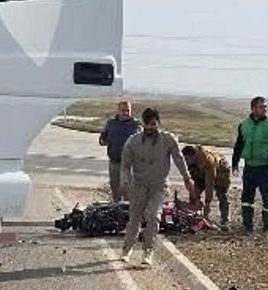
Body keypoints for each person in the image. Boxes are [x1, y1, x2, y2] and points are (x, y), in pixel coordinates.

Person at [119, 108, 193, 267]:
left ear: (159, 123)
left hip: (159, 186)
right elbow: (125, 164)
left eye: (153, 124)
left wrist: (187, 178)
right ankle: (127, 248)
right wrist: (124, 181)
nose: (150, 127)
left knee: (153, 215)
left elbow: (179, 160)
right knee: (135, 218)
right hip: (139, 185)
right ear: (143, 123)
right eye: (147, 124)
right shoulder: (133, 141)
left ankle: (148, 250)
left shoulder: (168, 140)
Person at [231, 96, 268, 236]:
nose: (265, 109)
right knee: (247, 199)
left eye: (265, 106)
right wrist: (235, 163)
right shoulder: (244, 124)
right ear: (253, 108)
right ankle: (247, 227)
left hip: (266, 169)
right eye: (262, 107)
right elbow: (239, 145)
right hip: (249, 167)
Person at [98, 100, 141, 202]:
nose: (125, 113)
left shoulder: (136, 125)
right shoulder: (111, 123)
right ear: (118, 110)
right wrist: (104, 139)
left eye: (128, 110)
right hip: (114, 163)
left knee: (128, 191)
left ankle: (128, 213)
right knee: (115, 190)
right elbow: (102, 139)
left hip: (129, 165)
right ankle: (116, 211)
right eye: (123, 110)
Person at [182, 145, 233, 230]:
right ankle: (196, 217)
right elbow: (193, 181)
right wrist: (196, 198)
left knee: (221, 194)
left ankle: (225, 220)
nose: (186, 162)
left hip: (221, 170)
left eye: (187, 159)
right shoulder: (189, 162)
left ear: (194, 156)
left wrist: (207, 203)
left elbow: (210, 184)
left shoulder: (207, 161)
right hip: (201, 172)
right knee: (193, 195)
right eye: (185, 159)